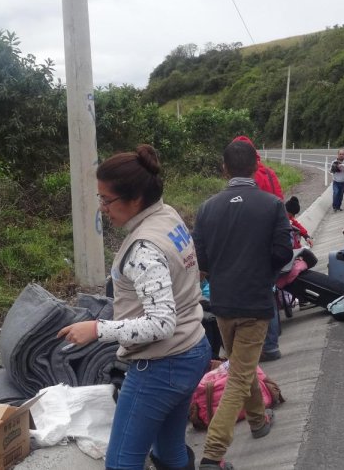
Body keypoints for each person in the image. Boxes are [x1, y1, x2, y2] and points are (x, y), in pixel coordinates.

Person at [57, 145, 209, 470]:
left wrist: (98, 329)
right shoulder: (167, 216)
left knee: (121, 462)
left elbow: (161, 323)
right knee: (169, 452)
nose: (101, 208)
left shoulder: (143, 249)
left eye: (106, 200)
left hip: (160, 365)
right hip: (193, 347)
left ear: (135, 199)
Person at [193, 140, 294, 470]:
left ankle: (257, 422)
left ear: (224, 169)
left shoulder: (207, 208)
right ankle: (213, 454)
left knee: (240, 363)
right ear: (256, 166)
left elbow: (202, 260)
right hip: (255, 301)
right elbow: (283, 253)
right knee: (239, 374)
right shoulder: (271, 205)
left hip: (221, 302)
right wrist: (261, 270)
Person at [232, 135, 286, 363]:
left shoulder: (253, 177)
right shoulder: (270, 173)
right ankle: (271, 342)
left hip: (255, 243)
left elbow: (249, 209)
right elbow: (280, 201)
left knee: (261, 296)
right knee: (269, 293)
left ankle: (267, 345)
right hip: (275, 240)